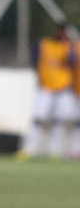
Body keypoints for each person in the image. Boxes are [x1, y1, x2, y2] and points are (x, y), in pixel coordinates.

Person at [19, 23, 76, 159]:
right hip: (45, 87)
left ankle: (54, 152)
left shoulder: (68, 47)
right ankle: (29, 150)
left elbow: (73, 62)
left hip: (62, 88)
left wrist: (69, 45)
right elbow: (34, 60)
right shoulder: (44, 44)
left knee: (59, 121)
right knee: (37, 119)